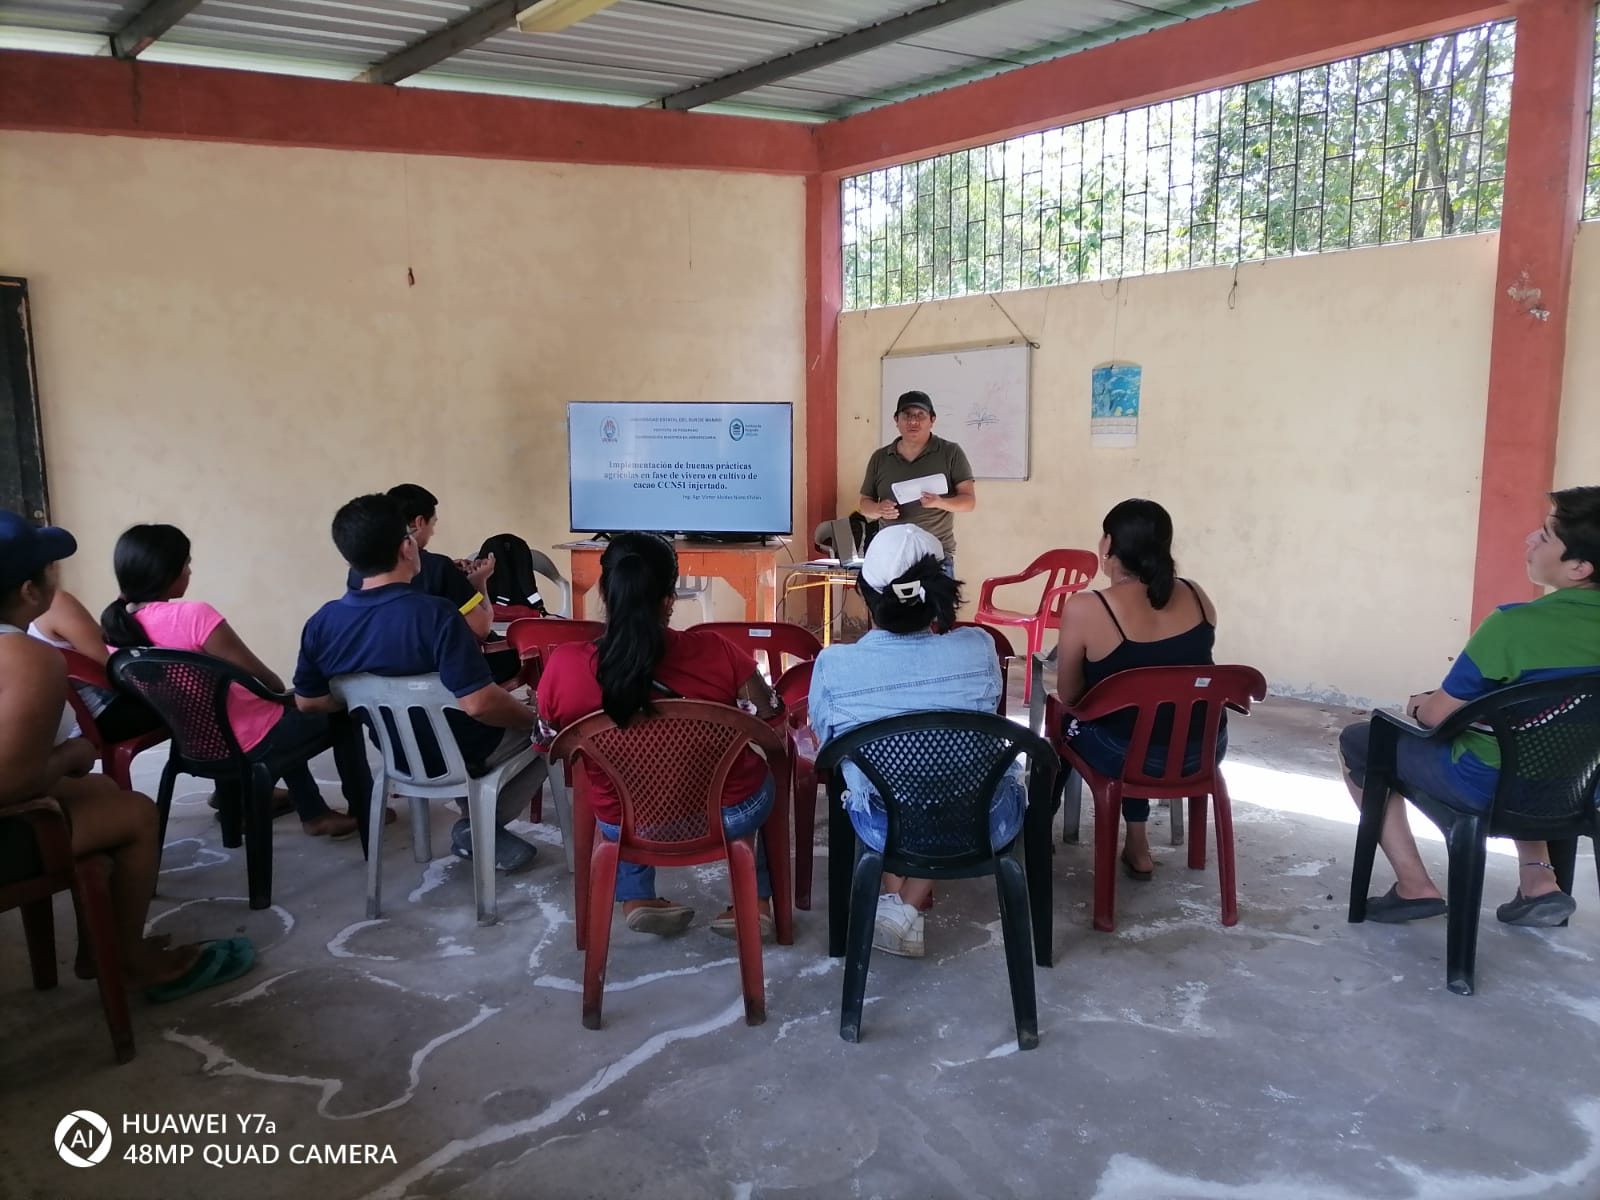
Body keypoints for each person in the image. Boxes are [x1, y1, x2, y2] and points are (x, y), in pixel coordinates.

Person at [0, 510, 253, 1001]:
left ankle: (101, 946)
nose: (58, 578)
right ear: (29, 591)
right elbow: (13, 784)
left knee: (100, 788)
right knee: (137, 814)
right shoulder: (28, 657)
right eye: (50, 569)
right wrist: (72, 753)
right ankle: (130, 960)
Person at [1339, 487, 1600, 928]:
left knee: (1362, 742)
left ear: (1579, 567)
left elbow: (1438, 717)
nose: (1529, 540)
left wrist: (1421, 706)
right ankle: (1539, 881)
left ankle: (1414, 885)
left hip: (1486, 785)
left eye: (1544, 536)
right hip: (1582, 786)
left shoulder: (1513, 626)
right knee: (1535, 737)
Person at [536, 531, 782, 938]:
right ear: (670, 599)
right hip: (727, 814)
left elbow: (546, 742)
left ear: (605, 591)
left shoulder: (564, 666)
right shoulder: (718, 652)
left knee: (619, 786)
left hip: (626, 823)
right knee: (764, 773)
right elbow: (770, 715)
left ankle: (635, 896)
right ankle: (754, 902)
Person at [808, 524, 1024, 958]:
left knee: (877, 783)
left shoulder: (834, 666)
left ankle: (900, 900)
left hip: (884, 827)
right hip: (981, 823)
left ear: (865, 594)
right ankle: (906, 902)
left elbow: (828, 747)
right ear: (940, 595)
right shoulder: (979, 647)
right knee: (962, 778)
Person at [297, 494, 541, 872]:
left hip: (397, 755)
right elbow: (479, 704)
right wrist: (535, 721)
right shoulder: (436, 616)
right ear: (408, 548)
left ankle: (479, 827)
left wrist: (360, 697)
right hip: (466, 750)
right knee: (554, 734)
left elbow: (308, 702)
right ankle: (479, 827)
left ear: (349, 560)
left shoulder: (321, 624)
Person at [101, 524, 368, 839]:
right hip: (250, 740)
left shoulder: (117, 632)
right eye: (186, 564)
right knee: (333, 709)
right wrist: (284, 693)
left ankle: (257, 805)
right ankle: (361, 809)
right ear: (166, 572)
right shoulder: (193, 616)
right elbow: (265, 679)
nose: (190, 571)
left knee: (277, 712)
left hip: (196, 743)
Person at [1054, 499, 1223, 881]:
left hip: (1127, 756)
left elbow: (1070, 695)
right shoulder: (1197, 596)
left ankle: (1038, 823)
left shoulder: (1088, 607)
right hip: (1204, 750)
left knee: (1068, 722)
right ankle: (1136, 842)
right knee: (1142, 722)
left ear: (1108, 543)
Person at [353, 484, 520, 684]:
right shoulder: (438, 568)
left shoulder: (359, 572)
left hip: (379, 670)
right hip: (439, 674)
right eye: (432, 524)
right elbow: (481, 629)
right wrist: (478, 581)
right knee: (511, 655)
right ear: (419, 522)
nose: (432, 532)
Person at [857, 390, 976, 577]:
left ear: (932, 420)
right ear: (896, 420)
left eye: (920, 415)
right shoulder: (880, 458)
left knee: (936, 598)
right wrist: (879, 509)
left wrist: (940, 502)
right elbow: (865, 505)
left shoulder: (950, 452)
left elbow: (969, 502)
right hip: (891, 556)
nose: (913, 422)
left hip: (935, 556)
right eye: (907, 415)